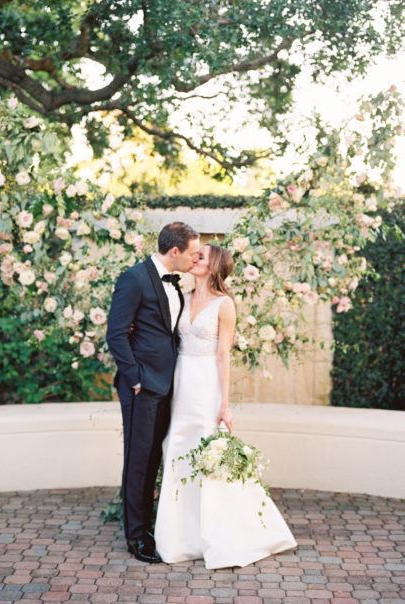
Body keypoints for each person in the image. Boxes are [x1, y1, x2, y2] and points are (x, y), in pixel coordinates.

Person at [154, 243, 297, 569]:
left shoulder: (224, 305)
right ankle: (179, 538)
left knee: (206, 454)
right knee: (176, 450)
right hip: (180, 382)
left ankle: (218, 535)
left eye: (200, 256)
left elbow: (223, 356)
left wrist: (225, 405)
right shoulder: (182, 297)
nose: (194, 258)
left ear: (215, 265)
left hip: (205, 385)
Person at [106, 222, 200, 563]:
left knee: (154, 459)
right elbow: (116, 334)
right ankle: (136, 536)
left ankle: (147, 523)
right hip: (142, 387)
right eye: (192, 252)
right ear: (174, 251)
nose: (196, 258)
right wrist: (134, 378)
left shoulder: (175, 284)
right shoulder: (134, 278)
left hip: (167, 384)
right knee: (139, 460)